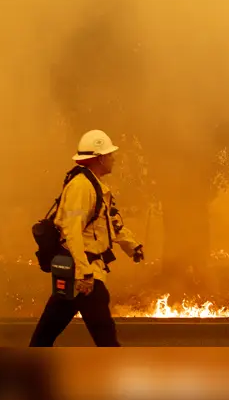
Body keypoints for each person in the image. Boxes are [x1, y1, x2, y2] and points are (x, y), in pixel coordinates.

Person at [30, 129, 145, 347]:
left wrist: (132, 246)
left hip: (78, 271)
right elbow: (71, 230)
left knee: (47, 333)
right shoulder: (81, 187)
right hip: (82, 273)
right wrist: (84, 273)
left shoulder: (95, 185)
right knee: (105, 335)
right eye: (110, 154)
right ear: (100, 158)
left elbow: (110, 223)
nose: (114, 158)